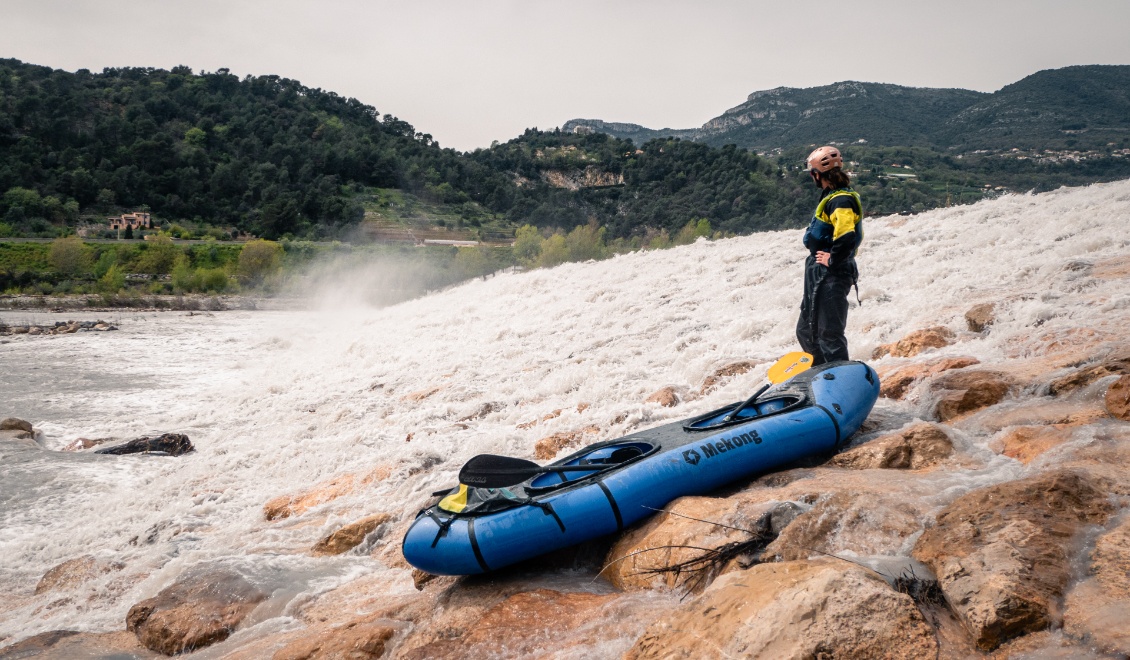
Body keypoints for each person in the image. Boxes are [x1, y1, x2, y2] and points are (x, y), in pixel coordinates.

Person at [796, 146, 863, 366]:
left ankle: (840, 382)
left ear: (816, 175)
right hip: (819, 273)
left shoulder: (841, 200)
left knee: (829, 334)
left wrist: (832, 259)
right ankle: (822, 374)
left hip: (832, 273)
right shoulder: (832, 196)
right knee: (806, 331)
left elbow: (846, 236)